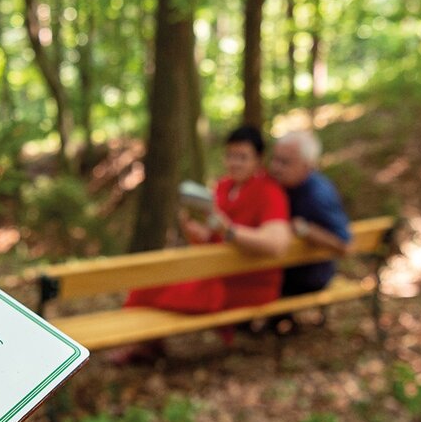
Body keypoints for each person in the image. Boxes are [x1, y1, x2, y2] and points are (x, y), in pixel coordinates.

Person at [111, 125, 291, 363]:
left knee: (151, 290)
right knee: (150, 283)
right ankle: (148, 343)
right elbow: (212, 239)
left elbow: (276, 245)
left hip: (245, 283)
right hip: (216, 274)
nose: (234, 163)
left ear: (258, 160)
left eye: (242, 157)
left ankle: (145, 344)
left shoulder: (269, 192)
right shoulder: (224, 187)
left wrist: (229, 230)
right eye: (230, 156)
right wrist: (194, 230)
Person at [268, 130, 352, 298]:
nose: (275, 167)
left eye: (285, 162)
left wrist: (306, 230)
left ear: (307, 166)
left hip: (308, 277)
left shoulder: (317, 195)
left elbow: (345, 245)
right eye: (275, 159)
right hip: (283, 269)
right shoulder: (278, 187)